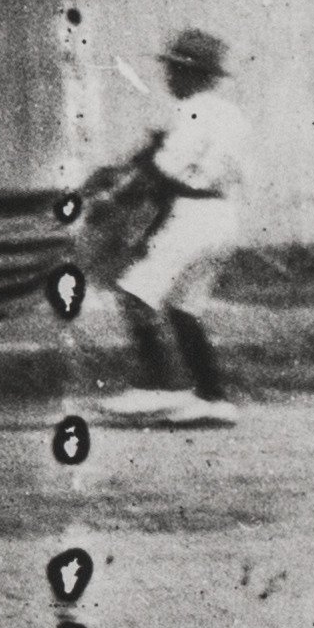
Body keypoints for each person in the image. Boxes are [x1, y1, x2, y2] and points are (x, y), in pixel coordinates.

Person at [95, 28, 251, 431]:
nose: (169, 78)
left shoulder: (192, 111)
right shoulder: (230, 115)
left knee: (134, 292)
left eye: (175, 71)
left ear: (194, 74)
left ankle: (159, 385)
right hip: (223, 216)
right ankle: (211, 397)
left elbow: (165, 168)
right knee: (184, 308)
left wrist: (117, 195)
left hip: (193, 215)